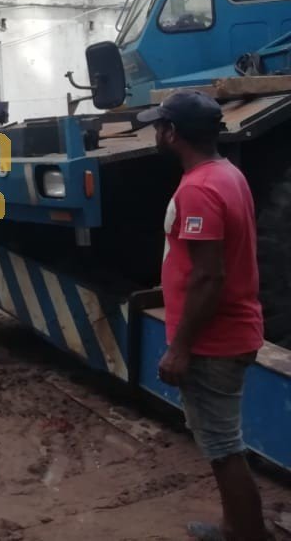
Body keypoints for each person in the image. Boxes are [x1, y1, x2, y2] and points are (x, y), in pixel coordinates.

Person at [136, 90, 266, 541]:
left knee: (223, 447)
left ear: (173, 133)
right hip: (231, 330)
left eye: (159, 125)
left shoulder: (199, 189)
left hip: (214, 341)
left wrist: (180, 348)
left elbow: (209, 277)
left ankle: (247, 533)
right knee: (221, 442)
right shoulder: (227, 174)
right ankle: (237, 526)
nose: (155, 132)